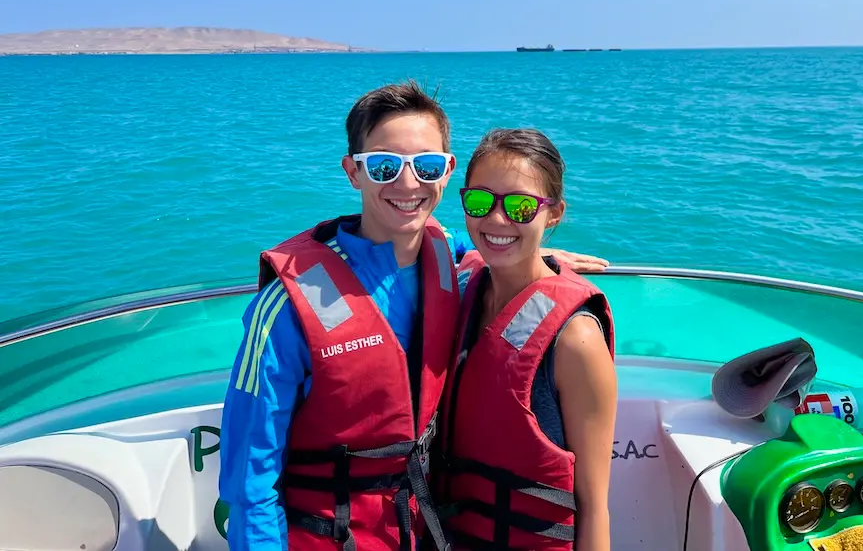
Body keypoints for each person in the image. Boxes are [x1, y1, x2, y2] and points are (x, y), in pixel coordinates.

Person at [218, 82, 610, 551]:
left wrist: (535, 249)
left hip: (423, 532)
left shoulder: (447, 256)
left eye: (425, 166)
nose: (407, 185)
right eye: (384, 166)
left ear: (445, 173)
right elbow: (249, 487)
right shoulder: (291, 303)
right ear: (352, 173)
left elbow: (488, 243)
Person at [437, 128, 617, 551]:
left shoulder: (576, 340)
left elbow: (593, 508)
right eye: (480, 202)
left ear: (553, 214)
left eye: (521, 207)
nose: (497, 220)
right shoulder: (464, 290)